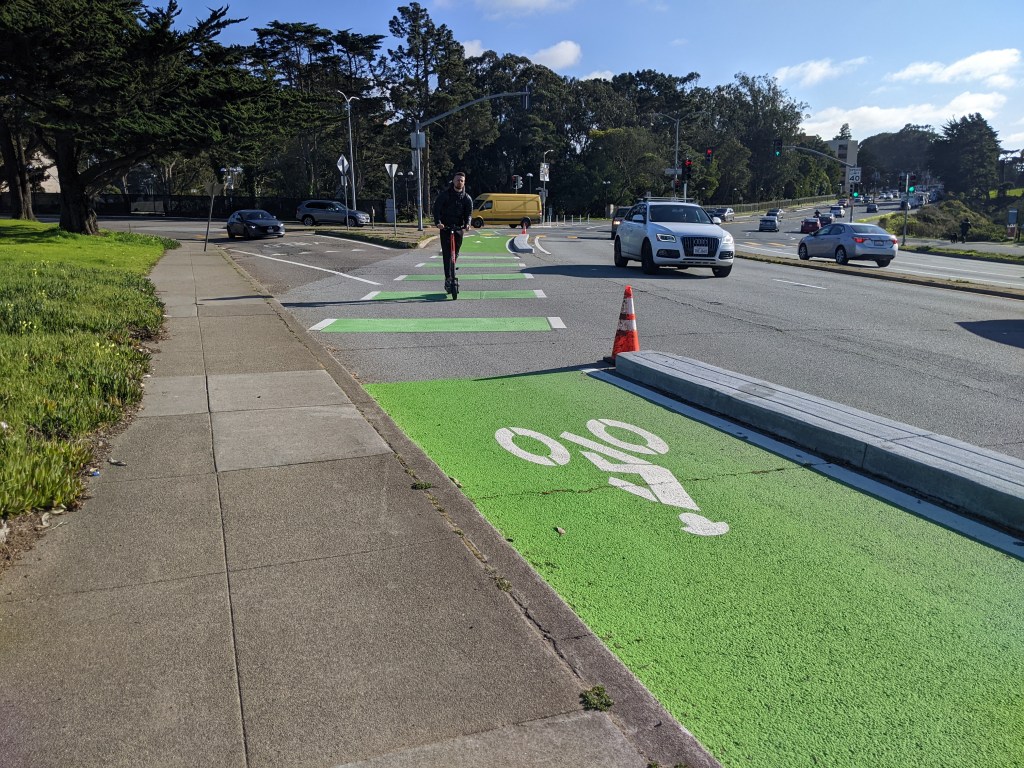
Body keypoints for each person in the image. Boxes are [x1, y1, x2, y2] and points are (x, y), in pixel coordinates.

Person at [432, 171, 473, 293]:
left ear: (464, 183)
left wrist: (467, 223)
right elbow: (436, 210)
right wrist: (438, 223)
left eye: (462, 180)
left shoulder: (467, 198)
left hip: (458, 228)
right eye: (458, 180)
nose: (459, 182)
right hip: (445, 228)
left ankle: (452, 267)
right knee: (447, 254)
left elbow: (469, 213)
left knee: (455, 253)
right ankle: (448, 278)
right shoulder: (445, 195)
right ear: (453, 181)